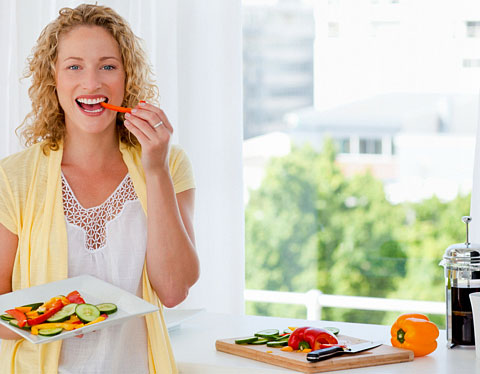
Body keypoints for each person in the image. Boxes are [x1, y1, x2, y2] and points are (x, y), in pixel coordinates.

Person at [0, 4, 199, 373]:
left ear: (127, 78)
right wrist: (60, 318)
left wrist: (154, 170)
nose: (92, 83)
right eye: (74, 66)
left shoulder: (169, 163)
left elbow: (173, 291)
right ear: (52, 79)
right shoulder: (13, 178)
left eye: (108, 66)